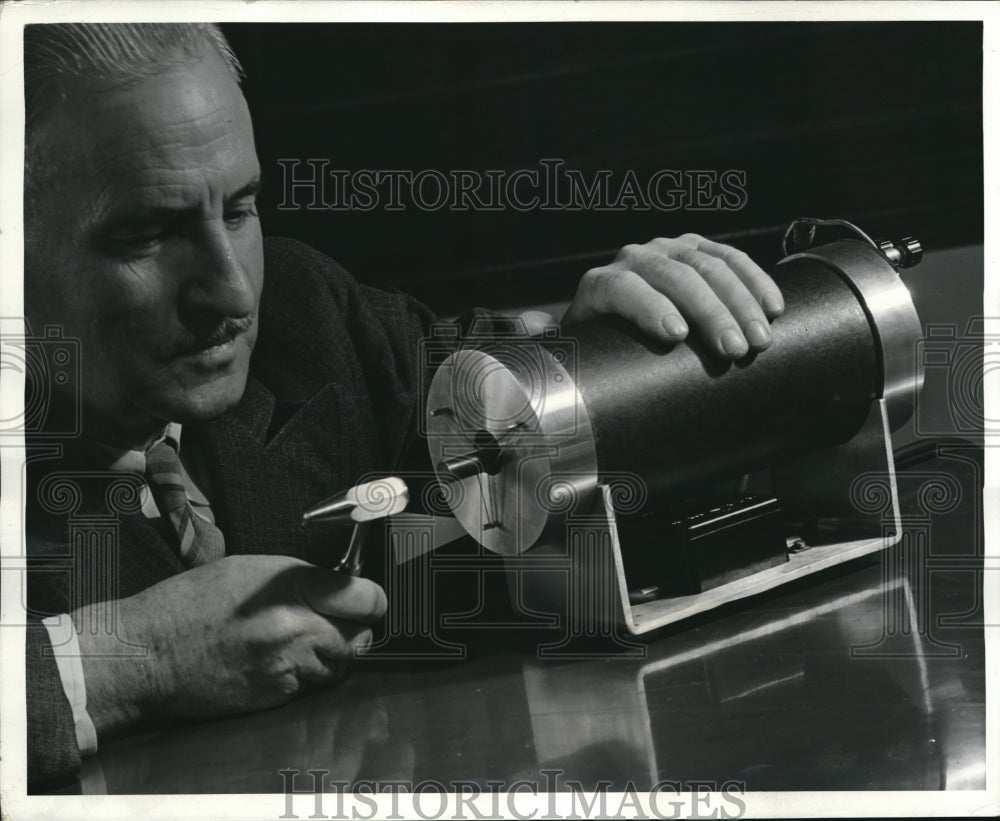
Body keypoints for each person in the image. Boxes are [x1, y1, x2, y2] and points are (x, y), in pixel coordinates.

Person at [21, 22, 784, 786]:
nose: (231, 291)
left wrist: (607, 363)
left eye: (240, 208)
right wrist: (128, 661)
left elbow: (499, 407)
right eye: (150, 234)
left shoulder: (306, 312)